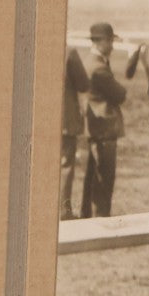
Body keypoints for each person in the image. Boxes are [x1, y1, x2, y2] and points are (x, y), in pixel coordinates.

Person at [80, 22, 127, 219]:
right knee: (104, 177)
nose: (113, 46)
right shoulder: (99, 67)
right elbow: (119, 94)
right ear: (101, 42)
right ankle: (101, 217)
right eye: (110, 41)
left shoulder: (89, 61)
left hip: (94, 126)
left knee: (92, 176)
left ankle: (86, 216)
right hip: (104, 127)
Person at [60, 45, 89, 220]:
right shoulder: (69, 52)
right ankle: (63, 211)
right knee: (65, 166)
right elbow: (84, 84)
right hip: (64, 119)